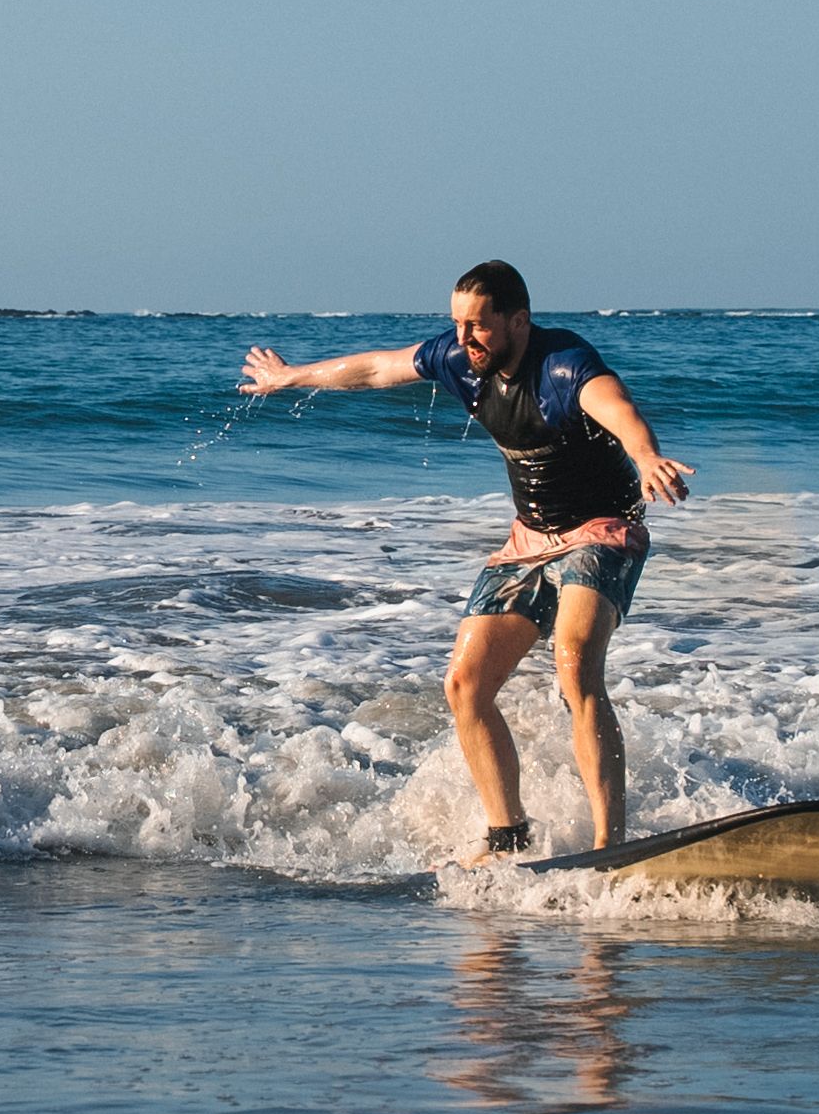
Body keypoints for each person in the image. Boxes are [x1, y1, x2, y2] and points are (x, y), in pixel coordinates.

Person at [239, 261, 690, 863]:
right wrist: (292, 377)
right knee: (465, 685)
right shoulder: (458, 360)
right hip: (528, 540)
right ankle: (508, 836)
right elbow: (375, 367)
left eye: (478, 326)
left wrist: (646, 455)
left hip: (601, 533)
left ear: (518, 321)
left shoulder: (563, 364)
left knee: (576, 660)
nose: (463, 339)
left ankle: (612, 843)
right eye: (457, 325)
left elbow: (615, 404)